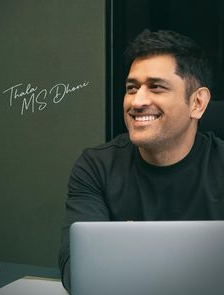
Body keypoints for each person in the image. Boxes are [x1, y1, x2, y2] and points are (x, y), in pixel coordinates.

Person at [59, 29, 224, 291]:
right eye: (131, 88)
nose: (137, 101)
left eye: (156, 87)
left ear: (198, 103)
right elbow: (77, 271)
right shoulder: (96, 167)